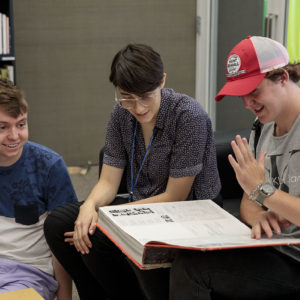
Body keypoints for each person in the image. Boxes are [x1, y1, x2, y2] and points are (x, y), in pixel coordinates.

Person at [43, 43, 221, 300]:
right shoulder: (120, 113)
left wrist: (107, 217)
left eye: (146, 96)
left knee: (99, 234)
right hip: (141, 203)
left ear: (162, 81)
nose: (137, 108)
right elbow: (107, 181)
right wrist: (89, 207)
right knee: (61, 225)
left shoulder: (187, 115)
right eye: (127, 96)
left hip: (188, 209)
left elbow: (176, 196)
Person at [169, 36, 300, 299]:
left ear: (283, 78)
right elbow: (250, 202)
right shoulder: (262, 128)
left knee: (193, 269)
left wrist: (264, 192)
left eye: (254, 91)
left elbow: (259, 191)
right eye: (241, 95)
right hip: (277, 247)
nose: (247, 103)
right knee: (178, 254)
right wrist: (259, 216)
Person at [0, 79, 78, 300]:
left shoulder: (49, 165)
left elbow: (62, 244)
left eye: (21, 124)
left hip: (29, 272)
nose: (14, 136)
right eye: (2, 127)